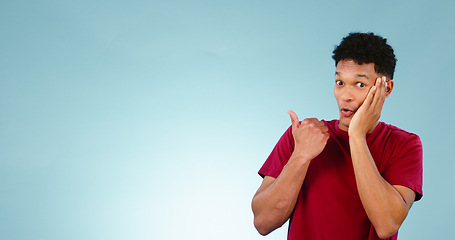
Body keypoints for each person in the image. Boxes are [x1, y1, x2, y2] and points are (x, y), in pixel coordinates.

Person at [251, 32, 423, 240]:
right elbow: (263, 222)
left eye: (360, 84)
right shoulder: (302, 135)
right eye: (340, 82)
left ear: (386, 89)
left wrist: (357, 136)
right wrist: (301, 156)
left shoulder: (404, 144)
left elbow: (387, 224)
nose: (345, 96)